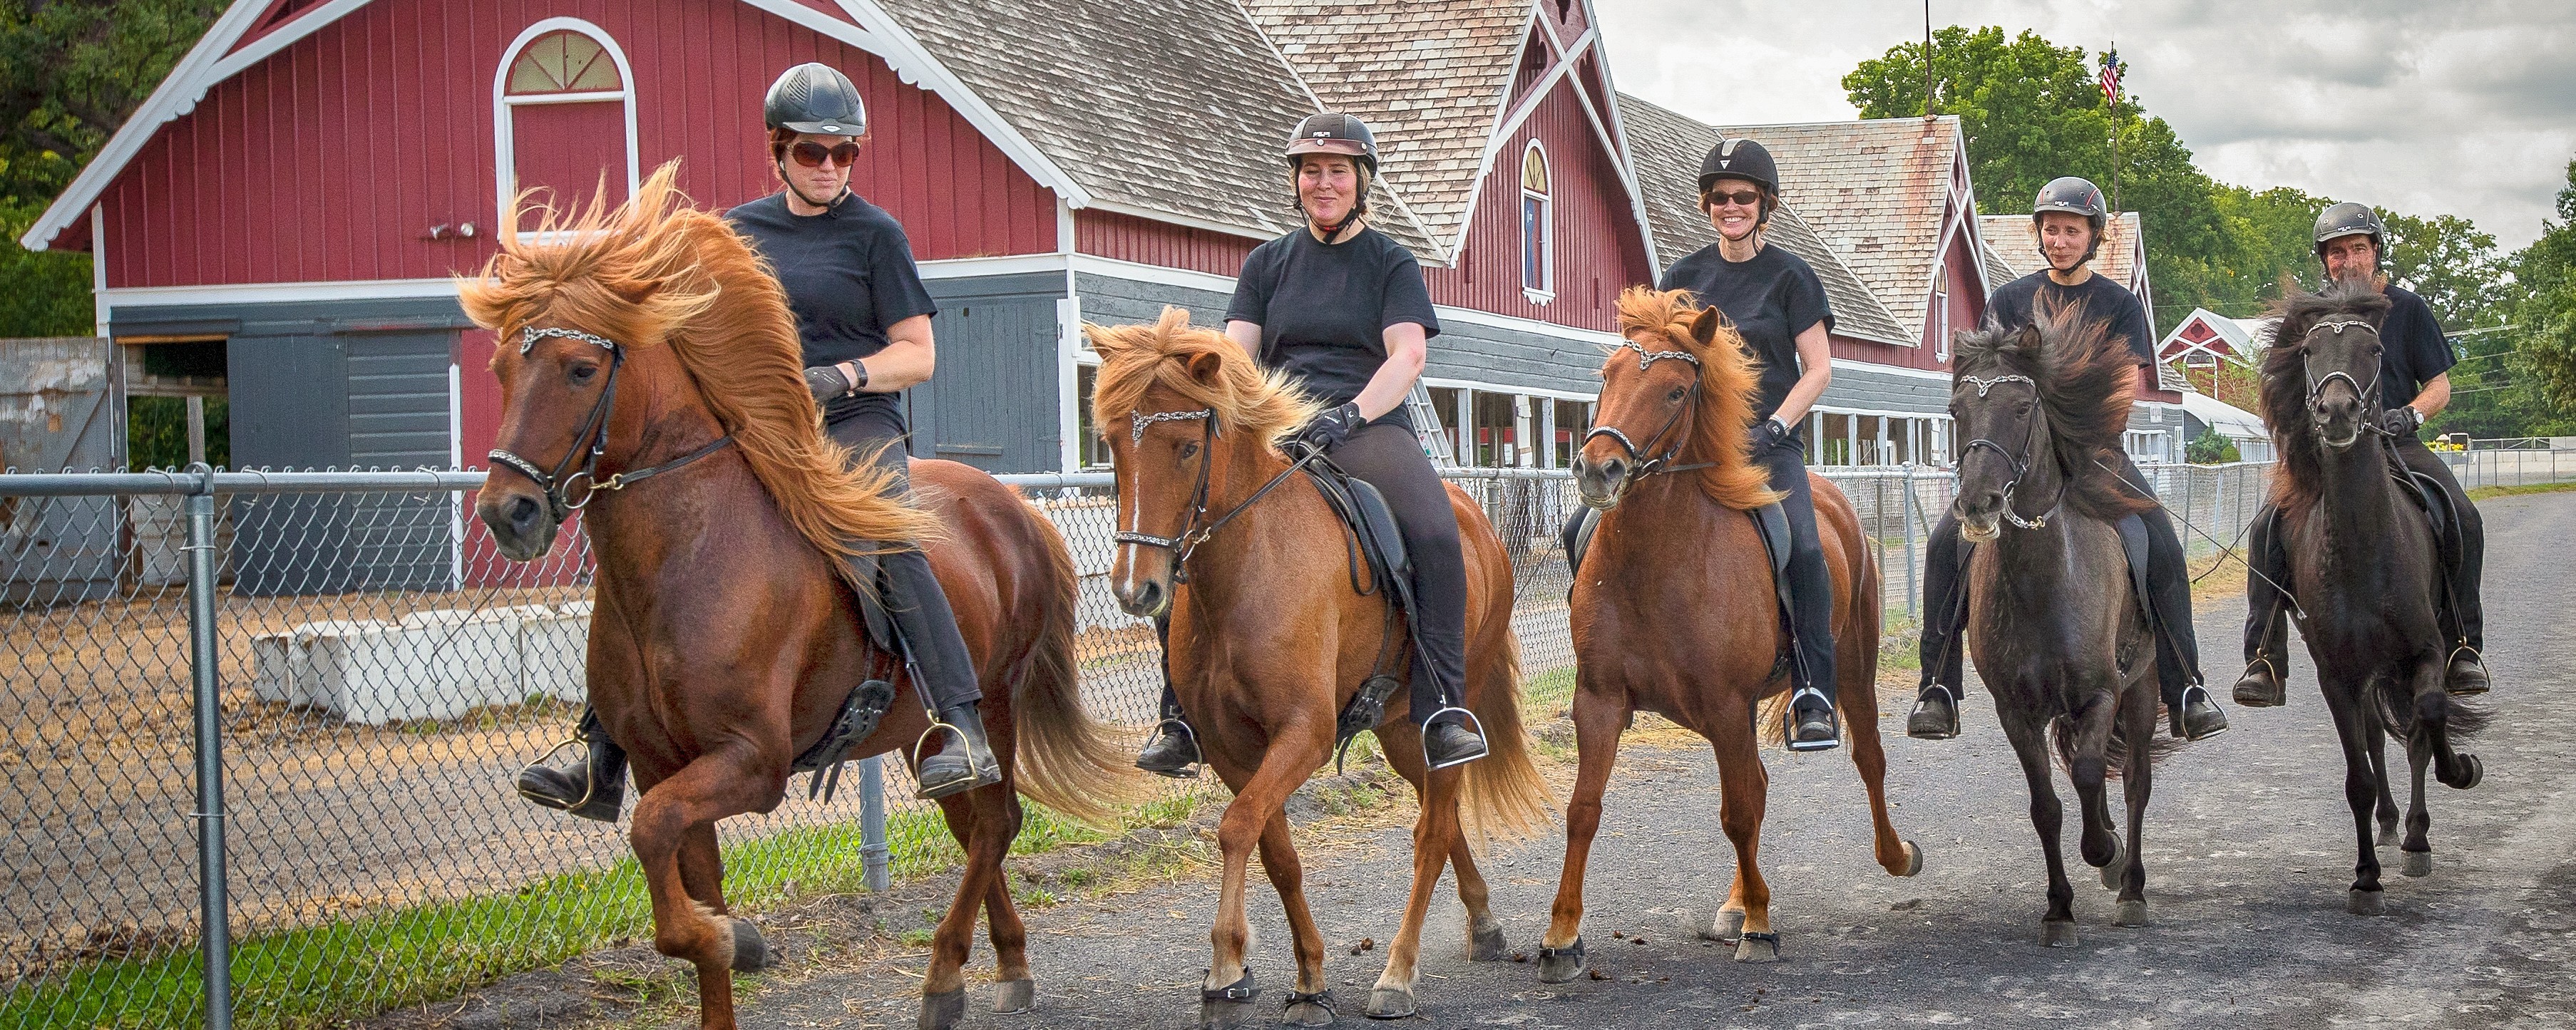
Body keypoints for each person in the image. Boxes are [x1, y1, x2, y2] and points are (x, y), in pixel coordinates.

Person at [515, 63, 1002, 819]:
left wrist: (842, 376)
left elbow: (918, 353)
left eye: (844, 153)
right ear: (778, 150)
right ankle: (600, 749)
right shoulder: (735, 235)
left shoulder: (876, 235)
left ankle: (959, 722)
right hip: (752, 427)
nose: (829, 167)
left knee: (890, 539)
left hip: (852, 421)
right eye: (812, 152)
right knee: (649, 549)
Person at [1132, 112, 1489, 776]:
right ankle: (1178, 712)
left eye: (1337, 172)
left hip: (1367, 426)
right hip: (1276, 428)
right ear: (1295, 182)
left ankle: (1442, 706)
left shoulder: (1391, 261)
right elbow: (1237, 352)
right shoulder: (1266, 263)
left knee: (1436, 533)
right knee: (1181, 533)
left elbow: (1406, 356)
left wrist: (1351, 413)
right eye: (1311, 172)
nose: (1323, 183)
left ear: (1361, 182)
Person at [1907, 176, 2229, 742]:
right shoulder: (2009, 301)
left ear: (2093, 237)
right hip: (2020, 457)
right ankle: (1937, 687)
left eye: (2070, 230)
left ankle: (2186, 688)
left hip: (2094, 454)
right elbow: (1987, 377)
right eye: (2050, 229)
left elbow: (2124, 390)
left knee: (2160, 543)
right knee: (1942, 545)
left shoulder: (2118, 304)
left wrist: (2080, 436)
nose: (2058, 240)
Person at [1631, 135, 1846, 750]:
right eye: (1720, 197)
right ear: (1706, 205)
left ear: (1764, 203)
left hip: (1767, 442)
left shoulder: (1792, 277)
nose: (1731, 206)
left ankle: (1811, 693)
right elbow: (1653, 360)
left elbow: (1818, 369)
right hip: (1687, 449)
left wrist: (1777, 425)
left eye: (1743, 197)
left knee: (1804, 549)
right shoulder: (1682, 277)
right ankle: (1613, 666)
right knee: (1586, 531)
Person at [2231, 202, 2490, 705]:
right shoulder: (2306, 317)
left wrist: (2409, 414)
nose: (2346, 260)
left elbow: (2439, 385)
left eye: (2356, 248)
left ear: (2374, 252)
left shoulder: (2407, 309)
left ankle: (2462, 645)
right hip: (2325, 452)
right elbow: (2281, 392)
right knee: (2266, 528)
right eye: (2335, 252)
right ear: (2323, 261)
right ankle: (2264, 657)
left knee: (2462, 515)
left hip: (2395, 442)